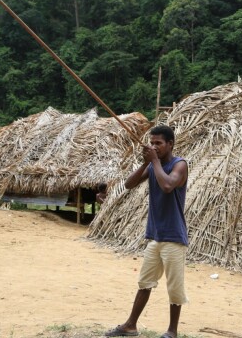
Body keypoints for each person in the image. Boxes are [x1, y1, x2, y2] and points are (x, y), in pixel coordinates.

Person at [105, 125, 189, 338]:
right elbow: (129, 184)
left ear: (170, 144)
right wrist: (145, 162)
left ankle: (172, 331)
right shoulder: (153, 165)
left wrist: (153, 162)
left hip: (174, 236)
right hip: (156, 235)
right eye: (152, 143)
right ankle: (130, 325)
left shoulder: (180, 165)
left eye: (158, 143)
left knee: (174, 288)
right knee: (145, 283)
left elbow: (168, 186)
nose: (154, 146)